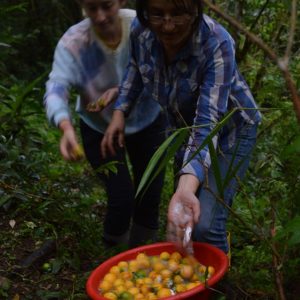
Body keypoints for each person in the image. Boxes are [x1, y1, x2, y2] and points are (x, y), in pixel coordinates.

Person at [101, 0, 262, 254]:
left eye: (177, 14)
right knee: (187, 218)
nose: (167, 26)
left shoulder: (217, 43)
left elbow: (208, 121)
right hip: (182, 131)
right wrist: (120, 111)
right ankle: (191, 278)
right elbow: (135, 67)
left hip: (231, 131)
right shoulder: (140, 32)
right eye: (157, 14)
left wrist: (186, 188)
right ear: (145, 12)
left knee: (206, 224)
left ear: (194, 11)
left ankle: (217, 285)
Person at [43, 0, 166, 249]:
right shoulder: (74, 42)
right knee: (121, 196)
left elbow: (162, 70)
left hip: (147, 119)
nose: (100, 17)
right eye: (92, 9)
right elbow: (56, 87)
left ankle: (147, 253)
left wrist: (121, 93)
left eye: (106, 6)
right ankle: (114, 257)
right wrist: (65, 127)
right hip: (98, 127)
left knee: (150, 190)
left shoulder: (141, 27)